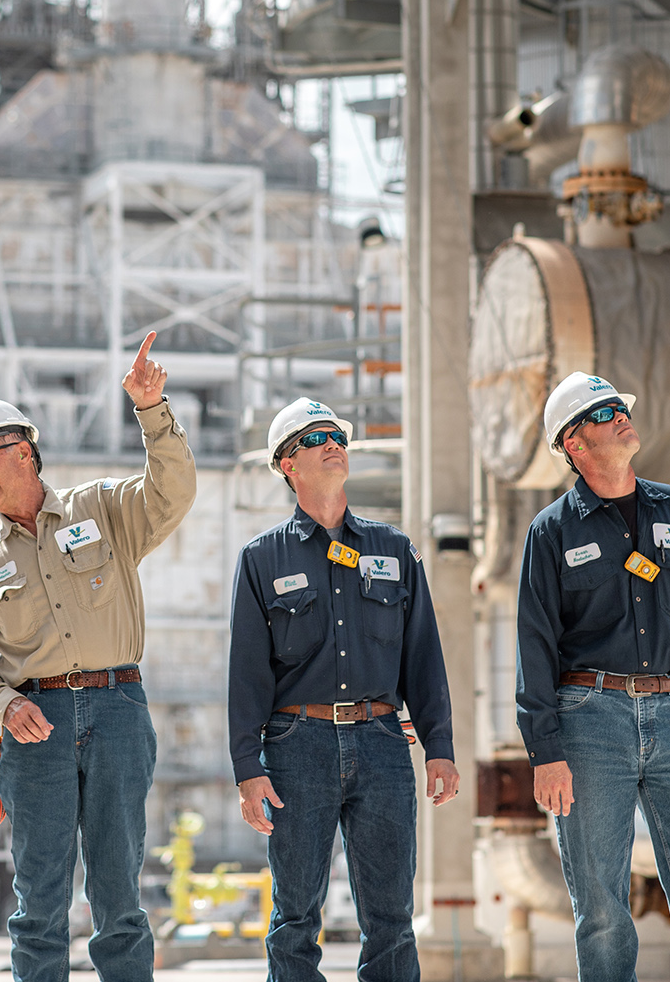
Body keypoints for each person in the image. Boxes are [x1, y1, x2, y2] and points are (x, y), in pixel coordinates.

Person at [0, 331, 195, 982]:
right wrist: (5, 703)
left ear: (23, 450)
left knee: (118, 898)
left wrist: (151, 408)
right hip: (36, 726)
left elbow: (172, 493)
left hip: (118, 708)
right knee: (39, 904)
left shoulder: (104, 508)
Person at [515, 371, 670, 982]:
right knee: (601, 908)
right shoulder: (552, 532)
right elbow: (535, 650)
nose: (621, 415)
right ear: (574, 443)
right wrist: (545, 751)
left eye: (618, 407)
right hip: (586, 721)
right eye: (603, 414)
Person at [227, 397, 459, 982]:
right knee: (297, 915)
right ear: (286, 465)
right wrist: (246, 767)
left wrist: (440, 747)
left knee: (391, 917)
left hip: (382, 741)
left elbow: (423, 657)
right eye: (315, 438)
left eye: (337, 435)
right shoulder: (261, 558)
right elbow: (247, 672)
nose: (333, 443)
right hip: (295, 746)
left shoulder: (394, 550)